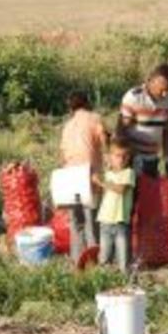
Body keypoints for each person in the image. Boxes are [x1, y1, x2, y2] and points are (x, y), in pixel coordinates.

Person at [58, 91, 109, 262]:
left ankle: (77, 259)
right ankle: (95, 260)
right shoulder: (94, 118)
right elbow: (105, 142)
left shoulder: (67, 125)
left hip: (69, 175)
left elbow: (63, 155)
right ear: (87, 103)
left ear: (71, 108)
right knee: (91, 219)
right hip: (88, 173)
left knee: (76, 221)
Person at [117, 63, 168, 178]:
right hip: (133, 157)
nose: (164, 94)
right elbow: (121, 129)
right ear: (152, 81)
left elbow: (167, 131)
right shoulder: (134, 97)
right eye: (162, 89)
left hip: (152, 158)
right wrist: (123, 159)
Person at [92, 138, 135, 273]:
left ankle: (125, 283)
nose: (121, 159)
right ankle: (104, 282)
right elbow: (104, 193)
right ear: (110, 157)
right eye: (117, 156)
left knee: (123, 260)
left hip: (120, 222)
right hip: (105, 221)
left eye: (125, 156)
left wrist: (101, 183)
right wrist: (97, 183)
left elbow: (120, 190)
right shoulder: (108, 174)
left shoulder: (129, 173)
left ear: (129, 157)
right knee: (104, 257)